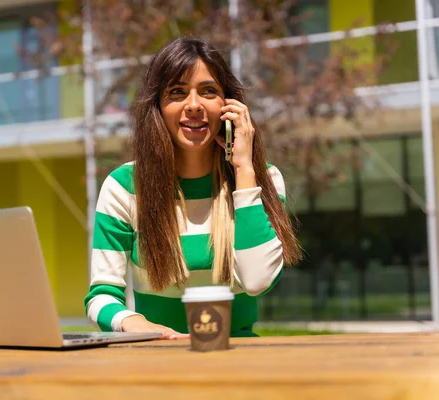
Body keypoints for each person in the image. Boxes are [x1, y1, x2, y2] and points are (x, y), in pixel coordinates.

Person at [84, 37, 302, 339]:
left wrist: (244, 169)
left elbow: (257, 280)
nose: (194, 105)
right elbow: (101, 297)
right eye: (177, 92)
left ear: (228, 104)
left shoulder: (261, 179)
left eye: (208, 91)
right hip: (158, 360)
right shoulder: (124, 187)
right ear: (157, 106)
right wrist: (136, 325)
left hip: (239, 361)